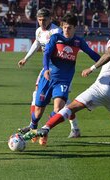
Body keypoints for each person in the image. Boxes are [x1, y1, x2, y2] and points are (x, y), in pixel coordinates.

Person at [33, 22, 110, 150]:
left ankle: (45, 128)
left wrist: (92, 68)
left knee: (71, 107)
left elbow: (109, 53)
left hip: (102, 87)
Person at [21, 13, 100, 146]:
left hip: (63, 81)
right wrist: (46, 69)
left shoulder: (78, 41)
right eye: (64, 27)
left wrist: (106, 62)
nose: (66, 30)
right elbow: (46, 54)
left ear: (75, 28)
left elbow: (92, 54)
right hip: (48, 78)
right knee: (38, 110)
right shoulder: (55, 38)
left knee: (58, 109)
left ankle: (43, 130)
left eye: (69, 28)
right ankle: (33, 127)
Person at [18, 8, 81, 140]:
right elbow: (37, 43)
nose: (41, 22)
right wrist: (26, 58)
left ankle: (43, 127)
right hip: (47, 69)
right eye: (39, 20)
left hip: (59, 71)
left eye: (44, 20)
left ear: (50, 19)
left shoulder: (57, 31)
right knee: (39, 95)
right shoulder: (39, 31)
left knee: (61, 104)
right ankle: (34, 126)